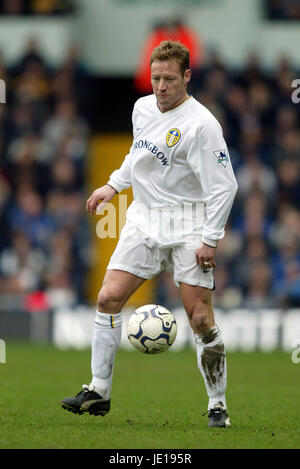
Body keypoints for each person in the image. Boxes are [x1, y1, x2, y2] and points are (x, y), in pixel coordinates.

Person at [60, 40, 238, 428]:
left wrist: (210, 238)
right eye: (156, 78)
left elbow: (226, 187)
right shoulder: (142, 108)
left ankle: (217, 404)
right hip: (144, 218)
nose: (161, 86)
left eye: (170, 79)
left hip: (189, 222)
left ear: (187, 76)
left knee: (200, 318)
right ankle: (99, 390)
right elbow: (137, 155)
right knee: (107, 298)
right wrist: (112, 186)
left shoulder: (202, 125)